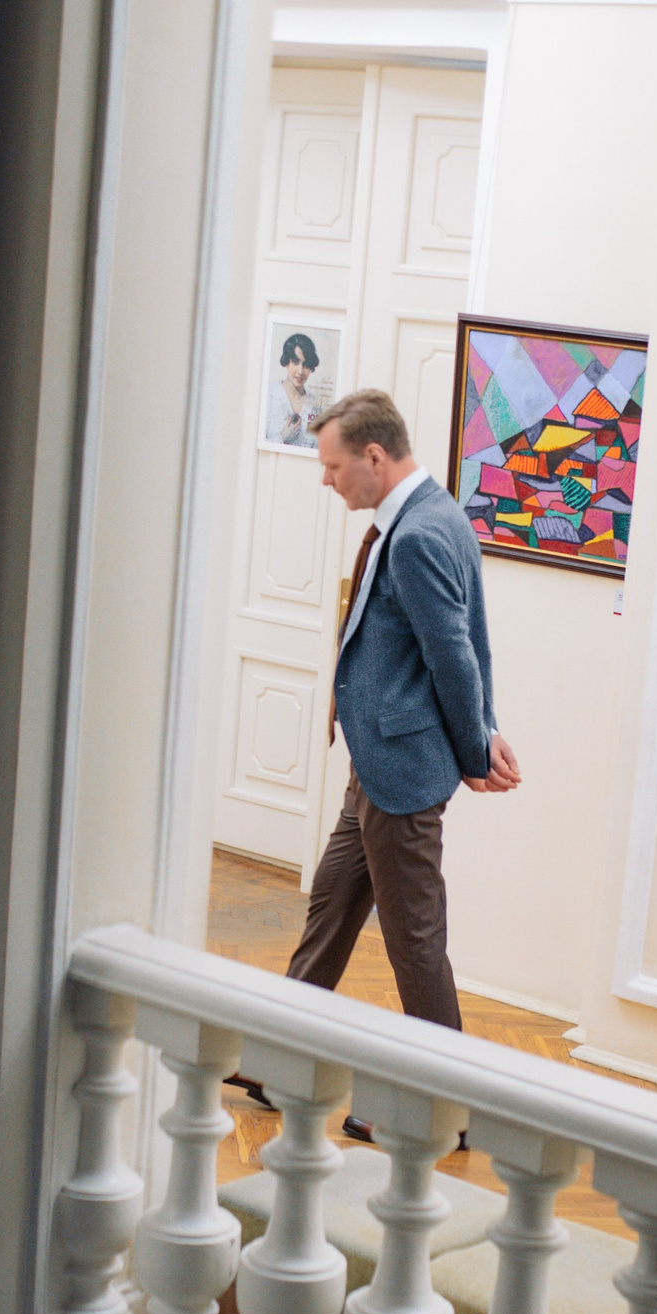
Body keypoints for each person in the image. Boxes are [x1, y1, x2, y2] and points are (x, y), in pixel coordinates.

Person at [235, 388, 520, 1139]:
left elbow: (456, 655)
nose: (326, 480)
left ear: (373, 456)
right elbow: (466, 641)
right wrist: (482, 728)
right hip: (377, 763)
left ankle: (442, 1111)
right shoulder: (431, 514)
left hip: (401, 772)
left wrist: (475, 747)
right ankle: (277, 1063)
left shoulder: (420, 533)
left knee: (415, 944)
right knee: (331, 908)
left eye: (332, 467)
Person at [264, 329, 321, 447]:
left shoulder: (315, 405)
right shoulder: (269, 397)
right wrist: (282, 438)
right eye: (295, 362)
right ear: (287, 363)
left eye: (306, 365)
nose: (300, 371)